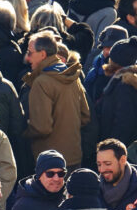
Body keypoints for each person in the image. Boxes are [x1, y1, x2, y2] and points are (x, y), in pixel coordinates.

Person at [22, 31, 90, 168]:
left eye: (30, 53)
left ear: (42, 54)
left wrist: (23, 133)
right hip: (74, 157)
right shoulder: (72, 76)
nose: (27, 58)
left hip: (48, 163)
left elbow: (42, 127)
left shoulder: (41, 82)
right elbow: (85, 116)